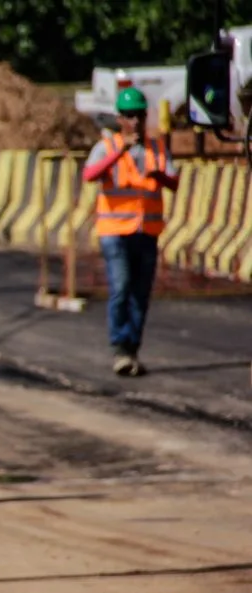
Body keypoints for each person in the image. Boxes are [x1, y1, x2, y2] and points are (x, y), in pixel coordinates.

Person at [81, 86, 177, 377]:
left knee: (140, 293)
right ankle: (120, 348)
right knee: (121, 287)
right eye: (130, 116)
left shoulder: (157, 148)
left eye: (140, 116)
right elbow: (89, 175)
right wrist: (120, 151)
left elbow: (173, 182)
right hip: (114, 231)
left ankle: (132, 348)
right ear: (120, 119)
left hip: (146, 230)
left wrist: (158, 175)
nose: (135, 122)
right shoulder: (106, 147)